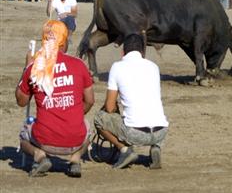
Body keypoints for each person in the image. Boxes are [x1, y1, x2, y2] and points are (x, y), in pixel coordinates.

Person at [16, 20, 94, 177]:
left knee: (24, 133)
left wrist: (26, 67)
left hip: (44, 140)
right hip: (75, 140)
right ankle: (75, 159)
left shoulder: (34, 68)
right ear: (63, 42)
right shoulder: (79, 65)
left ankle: (39, 155)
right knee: (87, 126)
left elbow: (21, 101)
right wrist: (74, 113)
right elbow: (90, 100)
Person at [94, 34, 169, 169]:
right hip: (161, 131)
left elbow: (110, 108)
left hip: (136, 134)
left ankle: (125, 150)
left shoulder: (117, 67)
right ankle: (156, 147)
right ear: (142, 51)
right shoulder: (154, 67)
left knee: (99, 118)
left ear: (123, 52)